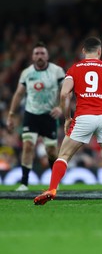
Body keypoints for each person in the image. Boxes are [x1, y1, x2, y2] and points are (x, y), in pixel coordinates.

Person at [33, 37, 102, 205]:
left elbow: (64, 94)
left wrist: (68, 117)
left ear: (83, 51)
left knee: (63, 156)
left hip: (83, 117)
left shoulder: (74, 69)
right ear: (99, 51)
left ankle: (52, 189)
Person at [7, 42, 65, 191]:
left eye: (42, 53)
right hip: (31, 114)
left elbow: (66, 91)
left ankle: (54, 183)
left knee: (51, 150)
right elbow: (19, 93)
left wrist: (61, 107)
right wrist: (11, 114)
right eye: (37, 53)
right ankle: (24, 183)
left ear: (47, 56)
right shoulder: (27, 73)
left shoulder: (57, 71)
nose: (39, 56)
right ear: (32, 56)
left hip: (49, 115)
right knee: (27, 146)